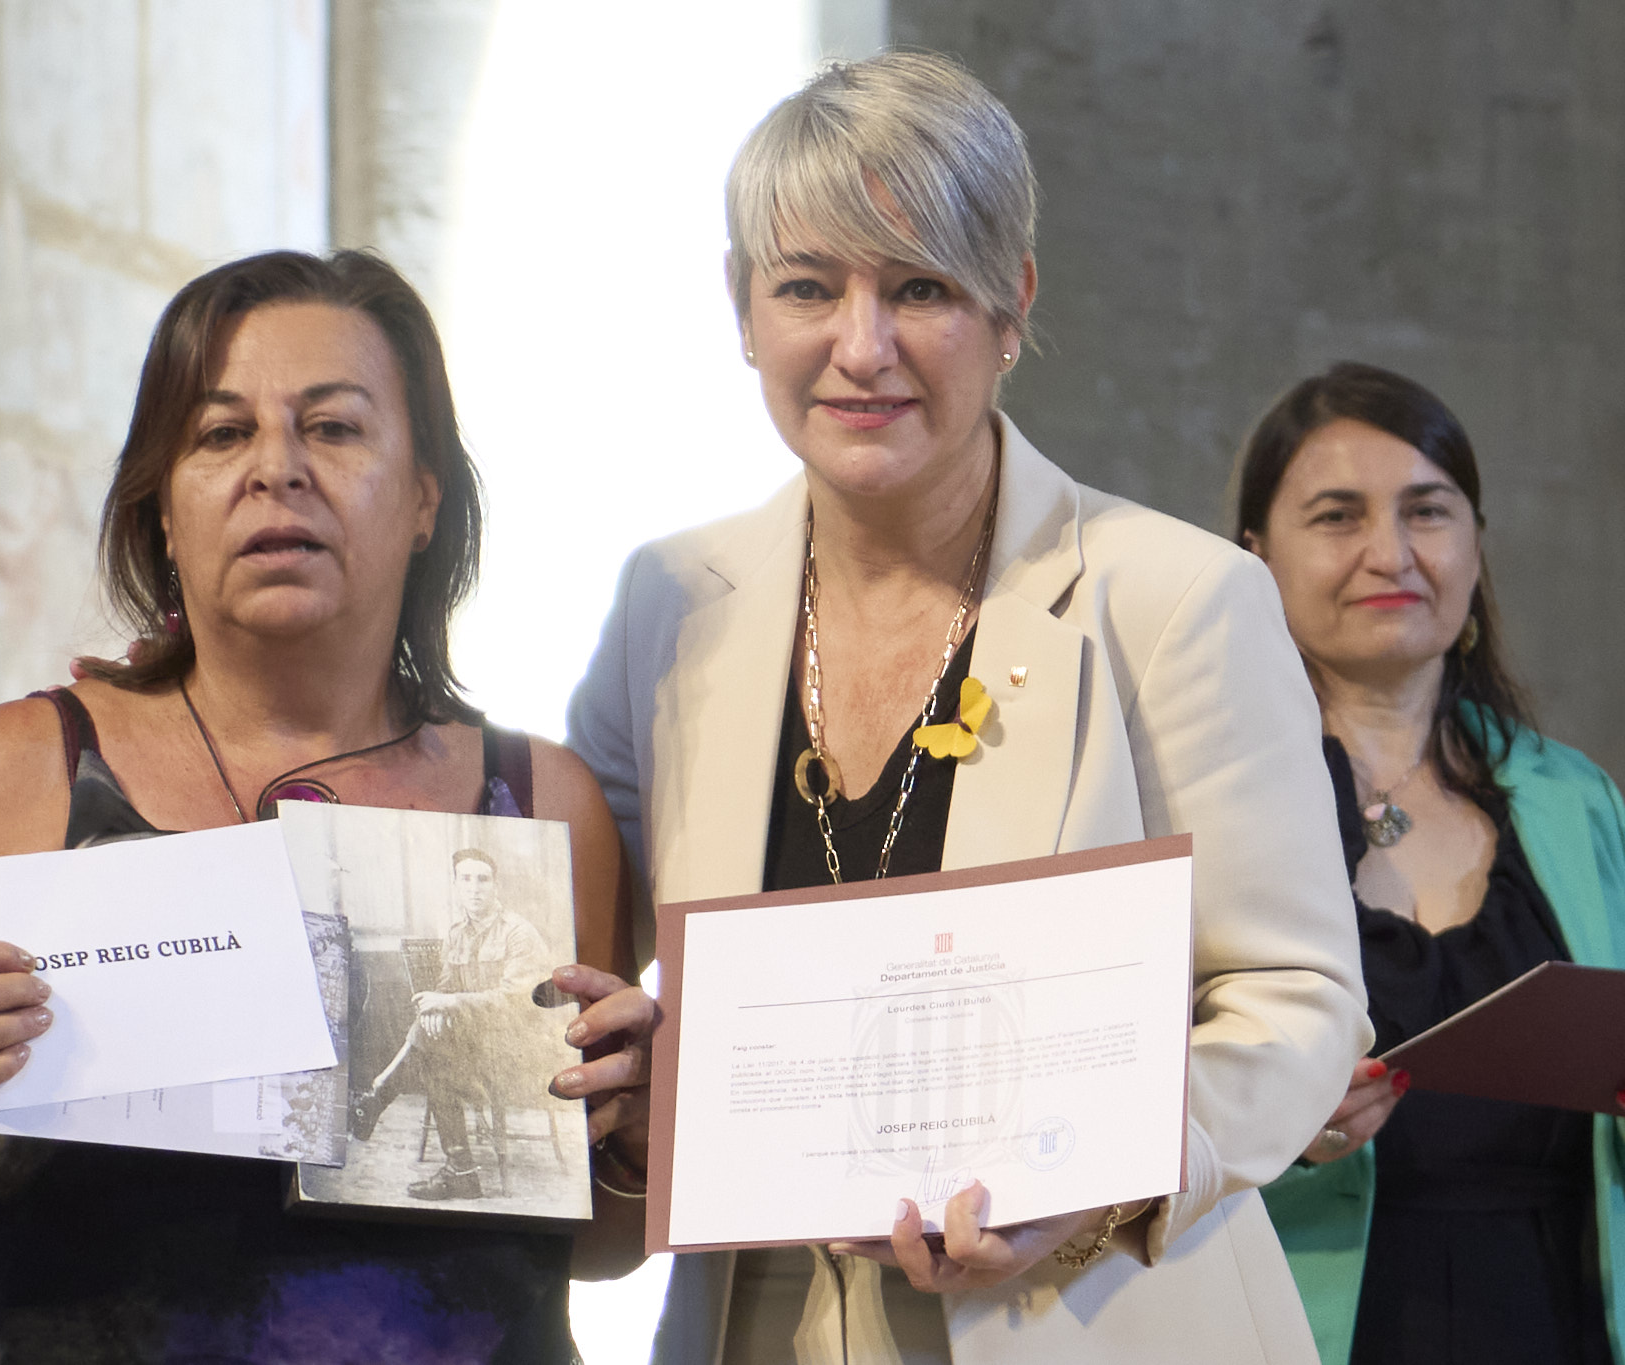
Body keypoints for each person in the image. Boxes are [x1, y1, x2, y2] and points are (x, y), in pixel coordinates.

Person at [565, 52, 1371, 1364]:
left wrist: (1106, 1176)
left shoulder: (1173, 600)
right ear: (742, 307)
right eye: (807, 287)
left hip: (1091, 1319)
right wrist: (638, 1073)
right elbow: (583, 938)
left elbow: (1299, 999)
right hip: (757, 1319)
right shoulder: (671, 602)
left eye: (920, 288)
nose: (860, 347)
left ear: (1012, 308)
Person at [0, 249, 652, 1363]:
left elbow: (596, 1244)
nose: (277, 470)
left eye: (334, 428)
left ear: (424, 498)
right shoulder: (22, 773)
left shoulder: (541, 806)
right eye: (221, 434)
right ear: (162, 508)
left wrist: (632, 1130)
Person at [1237, 362, 1625, 1365]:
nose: (1390, 553)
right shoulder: (1208, 799)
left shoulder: (1577, 800)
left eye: (1427, 511)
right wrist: (1274, 1123)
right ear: (1254, 557)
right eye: (1337, 516)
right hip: (1306, 1320)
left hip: (1556, 1315)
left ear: (1474, 545)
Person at [351, 846, 557, 1200]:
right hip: (473, 1045)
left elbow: (516, 1003)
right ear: (456, 886)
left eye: (483, 879)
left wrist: (449, 1003)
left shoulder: (518, 933)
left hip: (519, 1050)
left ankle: (379, 1097)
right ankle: (460, 1172)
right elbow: (445, 988)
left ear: (496, 885)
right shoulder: (456, 933)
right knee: (435, 1052)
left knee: (436, 1054)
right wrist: (435, 1009)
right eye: (466, 879)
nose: (474, 888)